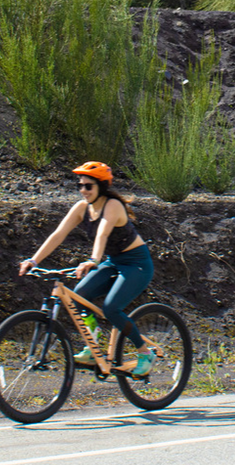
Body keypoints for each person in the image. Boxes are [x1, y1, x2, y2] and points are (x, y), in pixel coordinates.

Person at [18, 160, 155, 377]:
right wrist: (33, 261)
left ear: (101, 186)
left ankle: (144, 351)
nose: (83, 190)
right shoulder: (82, 208)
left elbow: (102, 232)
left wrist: (93, 260)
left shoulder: (112, 205)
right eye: (80, 186)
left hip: (136, 263)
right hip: (112, 261)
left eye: (88, 186)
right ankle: (93, 346)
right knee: (79, 294)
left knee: (111, 308)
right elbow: (58, 234)